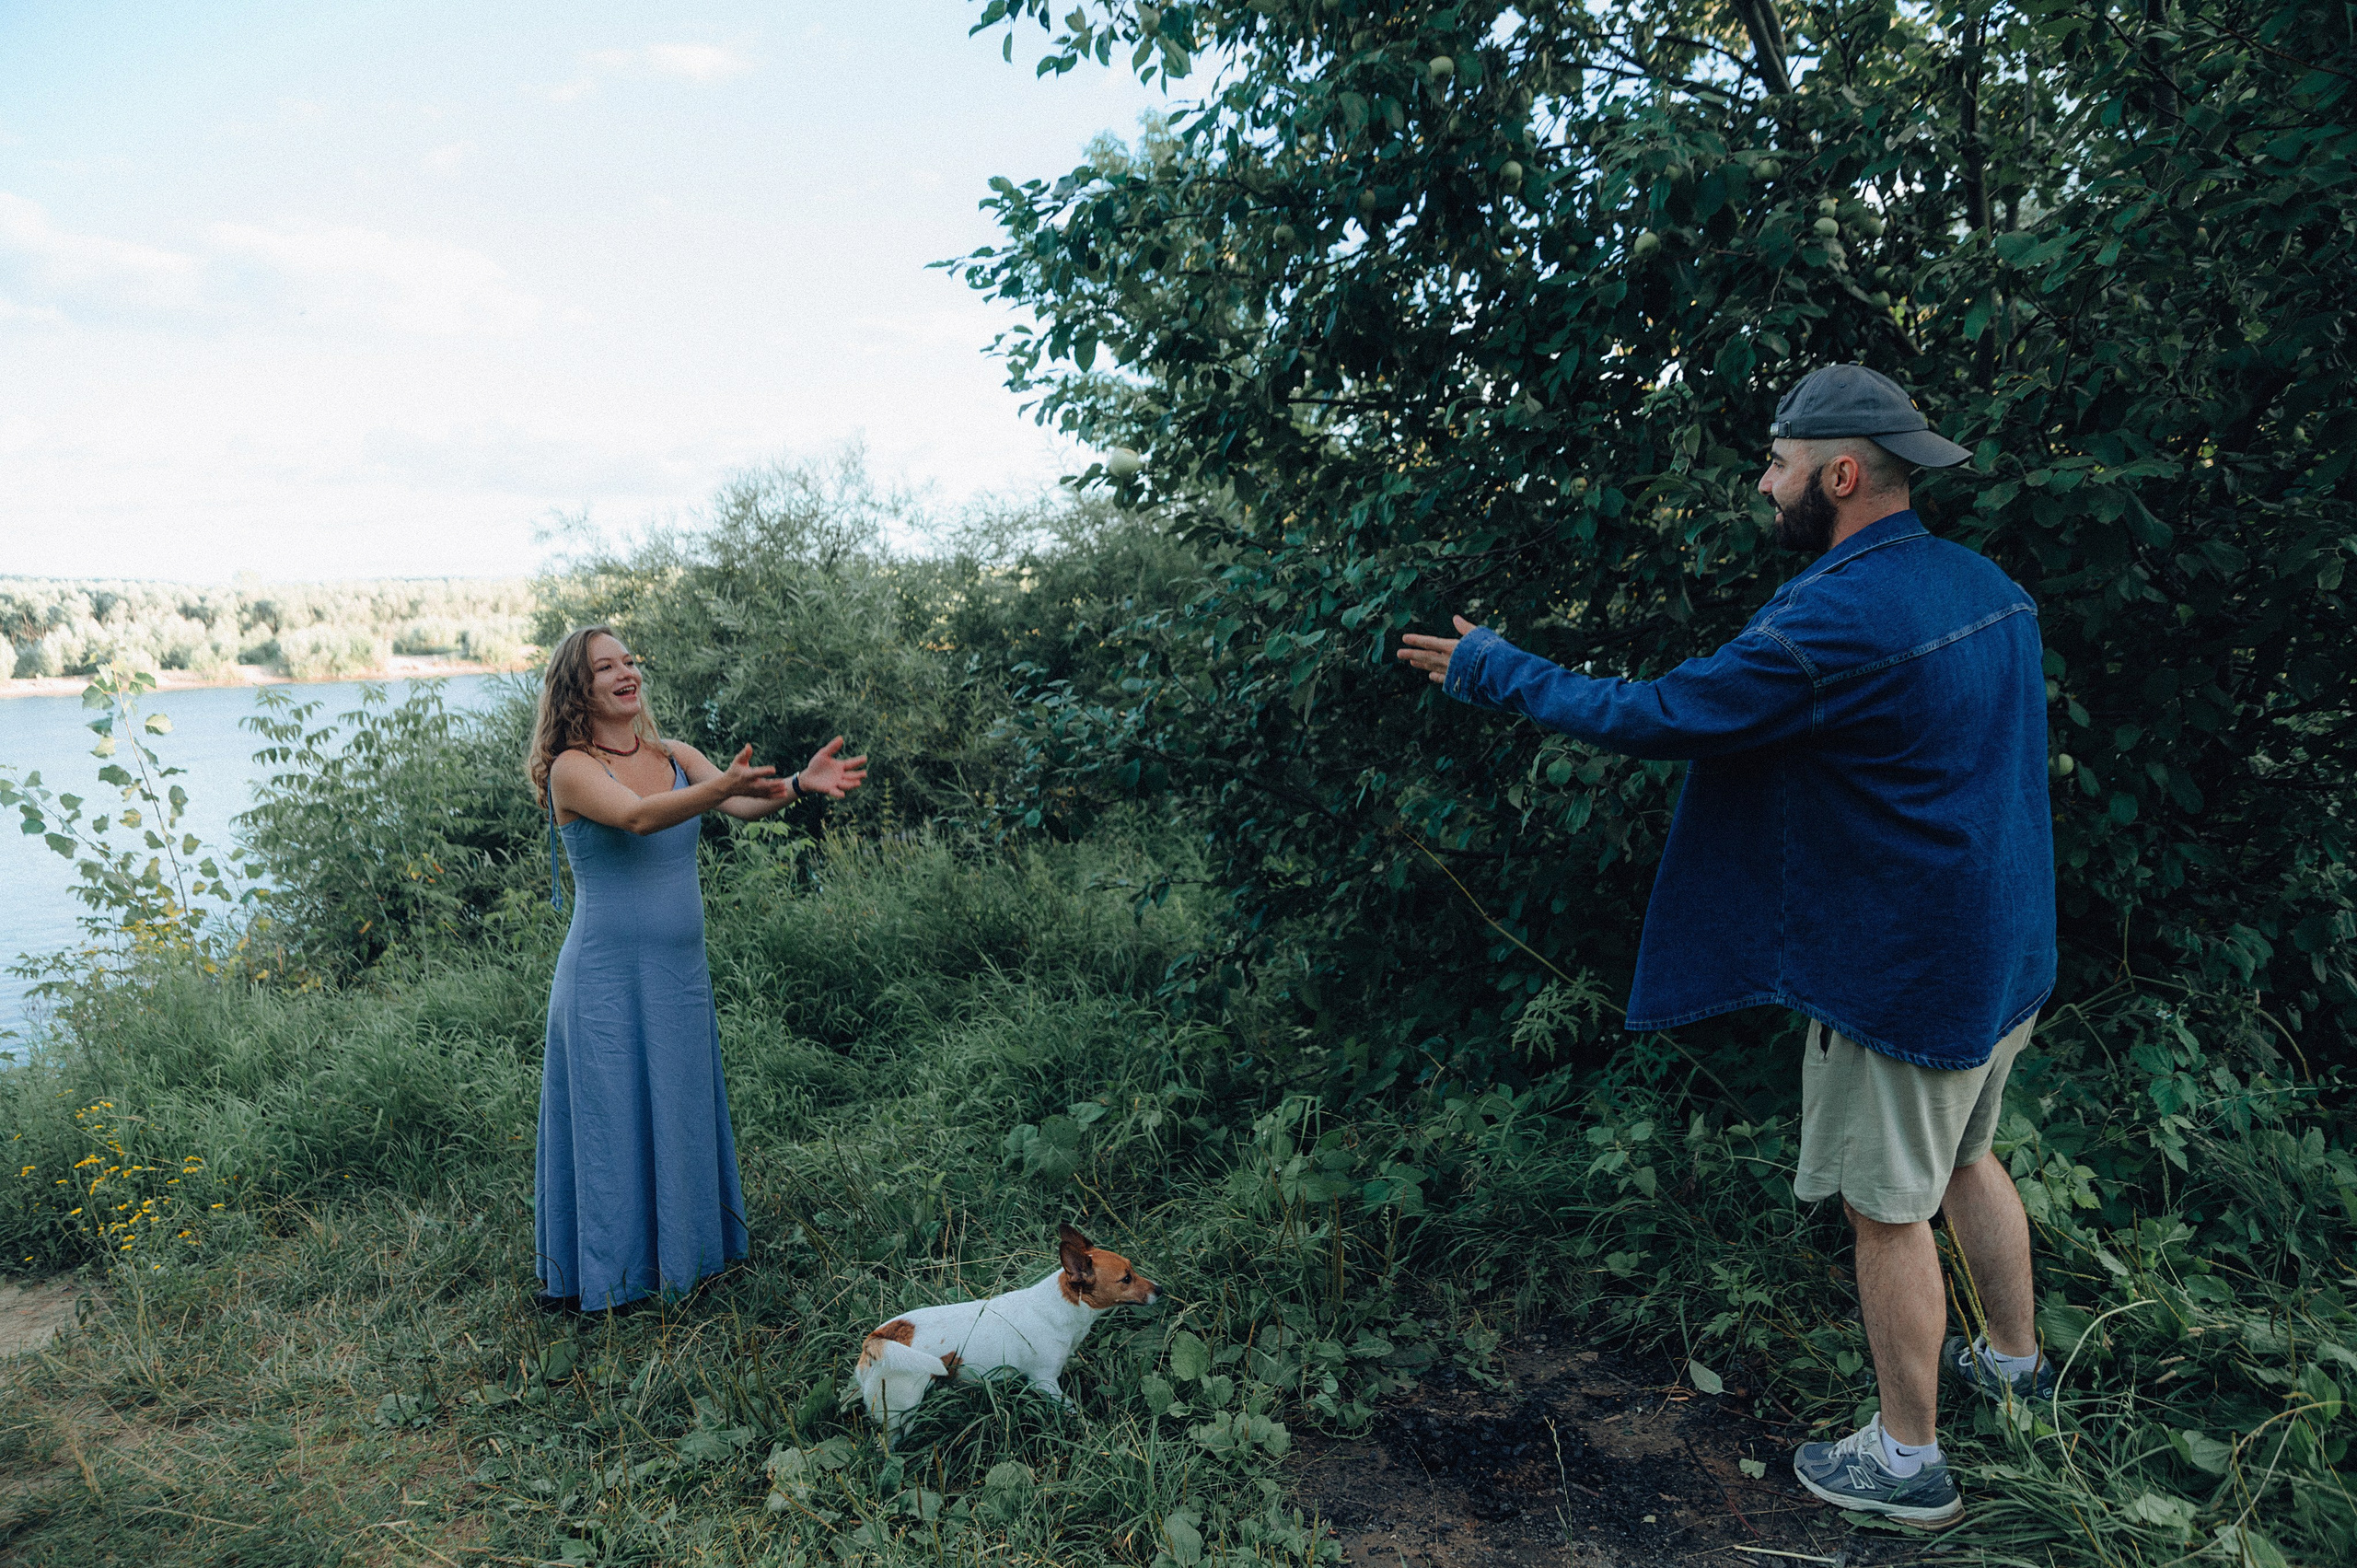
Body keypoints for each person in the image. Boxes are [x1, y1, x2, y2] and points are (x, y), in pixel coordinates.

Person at [1396, 365, 2057, 1528]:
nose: (1765, 484)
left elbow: (1655, 714)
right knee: (1965, 1157)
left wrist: (1498, 667)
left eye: (1779, 464)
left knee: (1886, 1207)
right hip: (2001, 953)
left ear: (1840, 474)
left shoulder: (1833, 617)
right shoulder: (1986, 582)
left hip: (1907, 971)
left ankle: (1909, 1461)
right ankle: (2014, 1368)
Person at [527, 625, 867, 1313]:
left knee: (677, 1111)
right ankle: (612, 1282)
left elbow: (743, 801)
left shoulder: (675, 753)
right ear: (577, 687)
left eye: (630, 660)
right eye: (606, 666)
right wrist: (716, 792)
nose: (627, 672)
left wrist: (799, 782)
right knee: (612, 1121)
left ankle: (686, 1262)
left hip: (678, 978)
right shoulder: (573, 766)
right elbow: (639, 817)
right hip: (604, 980)